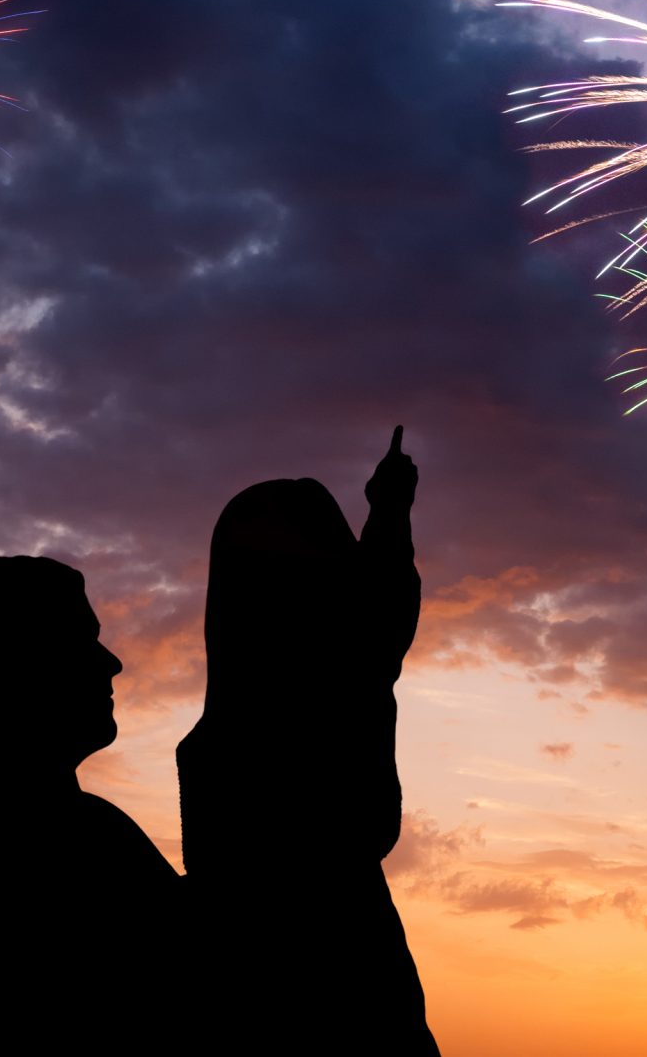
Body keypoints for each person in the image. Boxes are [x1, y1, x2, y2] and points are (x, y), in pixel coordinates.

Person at [177, 426, 437, 1052]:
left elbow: (375, 618)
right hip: (333, 953)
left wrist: (387, 510)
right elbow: (376, 620)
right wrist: (389, 508)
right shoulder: (329, 687)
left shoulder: (233, 728)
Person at [0, 555, 183, 1052]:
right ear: (15, 666)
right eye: (82, 640)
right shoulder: (72, 845)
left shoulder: (74, 833)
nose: (111, 661)